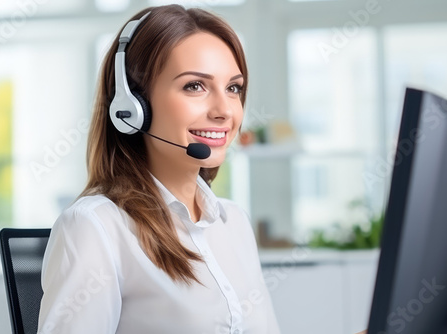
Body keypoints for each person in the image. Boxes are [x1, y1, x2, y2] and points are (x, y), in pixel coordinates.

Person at [37, 4, 281, 334]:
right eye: (195, 86)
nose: (225, 110)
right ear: (132, 107)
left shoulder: (233, 222)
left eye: (233, 88)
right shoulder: (96, 228)